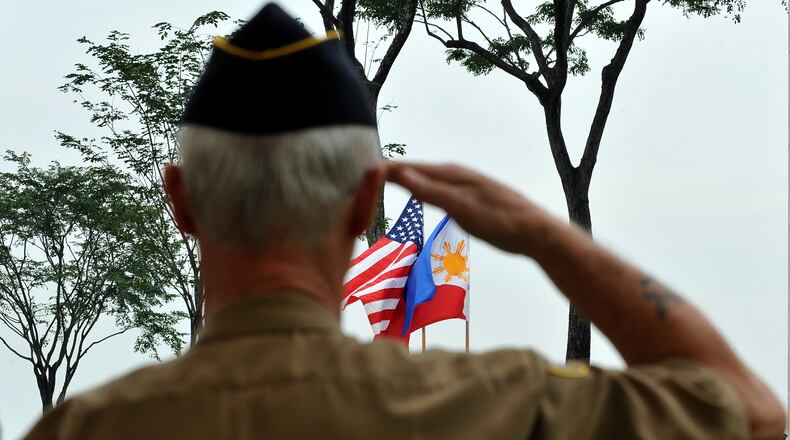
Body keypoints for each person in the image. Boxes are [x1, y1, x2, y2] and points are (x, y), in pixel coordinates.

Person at [25, 3, 785, 439]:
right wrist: (543, 234)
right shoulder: (495, 405)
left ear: (181, 199)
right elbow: (749, 414)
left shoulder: (79, 431)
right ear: (365, 204)